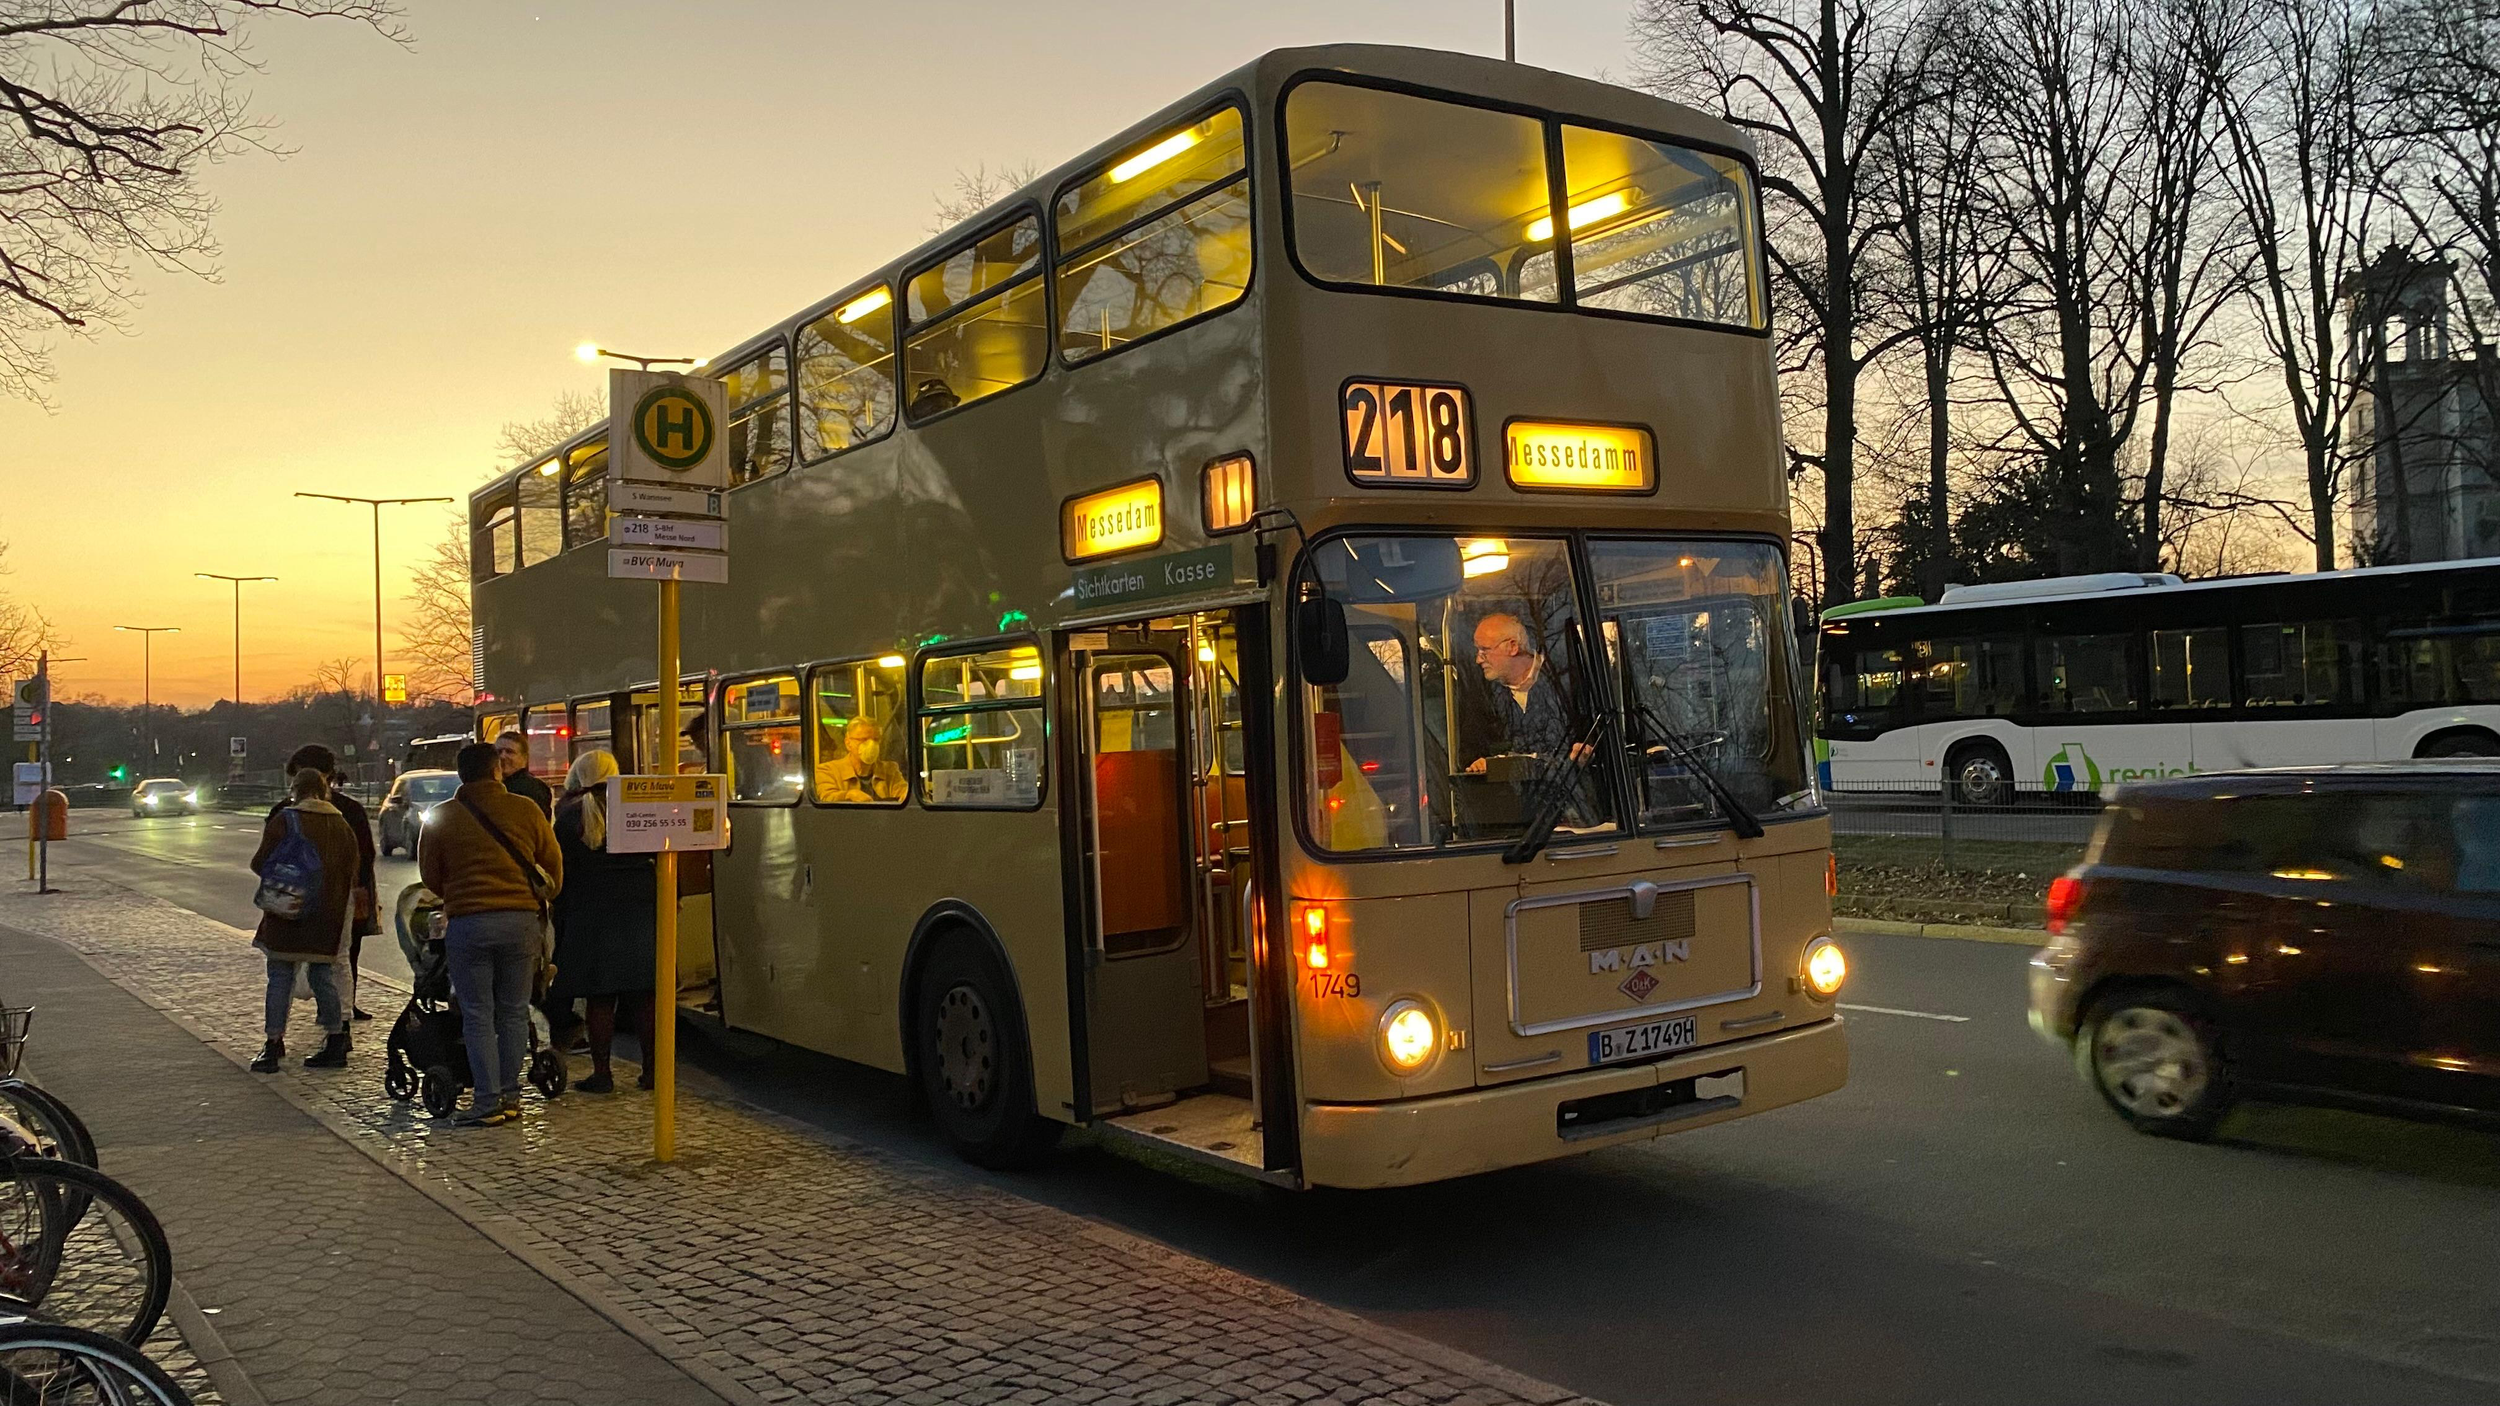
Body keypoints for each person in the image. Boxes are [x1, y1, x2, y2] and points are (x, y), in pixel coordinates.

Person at [419, 741, 563, 1127]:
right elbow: (553, 865)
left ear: (461, 775)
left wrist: (457, 893)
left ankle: (487, 1100)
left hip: (469, 923)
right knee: (515, 1012)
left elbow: (430, 875)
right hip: (520, 922)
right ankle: (512, 1096)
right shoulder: (527, 810)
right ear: (497, 770)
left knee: (478, 1013)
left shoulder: (442, 816)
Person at [548, 749, 659, 1093]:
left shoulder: (568, 814)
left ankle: (602, 1073)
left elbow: (560, 868)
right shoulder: (636, 808)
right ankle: (654, 1072)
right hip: (640, 907)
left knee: (600, 998)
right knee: (644, 996)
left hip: (590, 911)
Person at [247, 765, 365, 1072]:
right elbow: (352, 870)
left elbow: (260, 863)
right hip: (326, 916)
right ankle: (336, 1039)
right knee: (322, 976)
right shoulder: (342, 826)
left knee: (280, 977)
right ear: (324, 790)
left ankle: (273, 1045)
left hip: (287, 913)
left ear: (294, 790)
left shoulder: (285, 820)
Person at [269, 745, 380, 1021]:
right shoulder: (348, 811)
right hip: (340, 895)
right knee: (342, 956)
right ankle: (340, 1017)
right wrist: (360, 888)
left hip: (292, 896)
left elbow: (265, 859)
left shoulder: (283, 812)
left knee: (284, 966)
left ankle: (275, 1037)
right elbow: (364, 854)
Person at [1461, 612, 1588, 773]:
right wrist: (1481, 765)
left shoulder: (1566, 679)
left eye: (1484, 650)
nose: (1478, 660)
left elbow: (1593, 740)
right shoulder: (1483, 696)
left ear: (1513, 647)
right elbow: (1470, 752)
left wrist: (1581, 756)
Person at [814, 716, 906, 803]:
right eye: (864, 740)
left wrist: (906, 794)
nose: (871, 745)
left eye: (876, 740)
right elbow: (826, 796)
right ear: (848, 743)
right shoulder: (828, 771)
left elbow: (902, 791)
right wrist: (848, 795)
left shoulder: (890, 770)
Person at [495, 729, 555, 815]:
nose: (503, 756)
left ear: (524, 758)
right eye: (499, 752)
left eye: (510, 752)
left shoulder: (533, 788)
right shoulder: (493, 785)